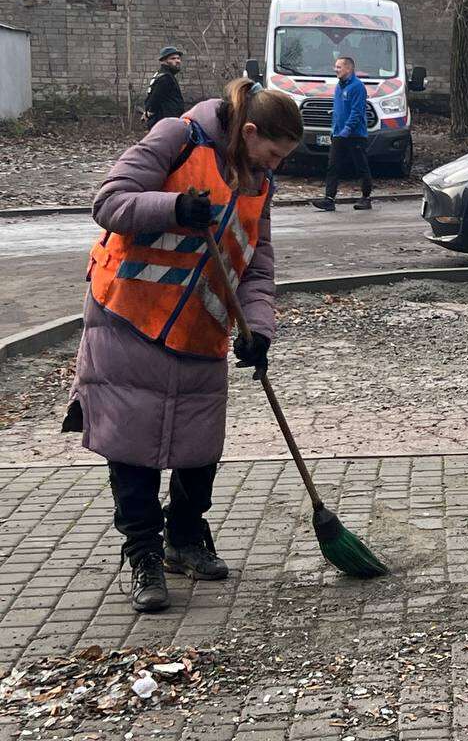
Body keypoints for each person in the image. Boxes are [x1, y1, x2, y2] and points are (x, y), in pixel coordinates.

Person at [65, 77, 303, 611]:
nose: (274, 167)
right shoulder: (178, 136)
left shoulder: (260, 184)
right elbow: (110, 202)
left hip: (201, 328)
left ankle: (186, 539)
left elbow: (257, 265)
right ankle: (144, 555)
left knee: (199, 447)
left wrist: (259, 329)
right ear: (248, 131)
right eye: (272, 154)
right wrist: (173, 207)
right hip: (129, 317)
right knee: (132, 447)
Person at [312, 56, 373, 212]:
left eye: (339, 67)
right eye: (336, 67)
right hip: (339, 133)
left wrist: (347, 129)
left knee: (361, 167)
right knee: (333, 166)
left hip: (355, 135)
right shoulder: (339, 87)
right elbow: (340, 110)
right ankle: (329, 199)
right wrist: (335, 129)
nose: (336, 70)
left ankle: (366, 197)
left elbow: (357, 111)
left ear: (349, 68)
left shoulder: (357, 87)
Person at [144, 47, 186, 129]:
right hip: (166, 123)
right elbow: (154, 98)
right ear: (163, 61)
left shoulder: (162, 74)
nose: (177, 61)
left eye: (178, 58)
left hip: (167, 122)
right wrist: (149, 112)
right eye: (173, 58)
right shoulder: (165, 78)